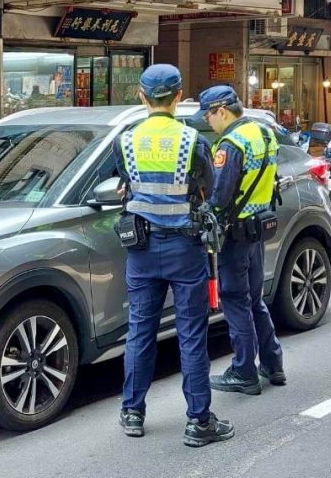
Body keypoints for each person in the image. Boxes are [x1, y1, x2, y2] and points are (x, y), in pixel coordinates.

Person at [114, 63, 235, 447]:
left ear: (142, 96)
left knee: (140, 332)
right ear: (180, 96)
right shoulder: (193, 141)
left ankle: (133, 412)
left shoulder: (125, 140)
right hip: (185, 249)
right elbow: (208, 189)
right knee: (191, 335)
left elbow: (124, 183)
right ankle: (199, 421)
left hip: (141, 250)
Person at [198, 85, 285, 396]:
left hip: (234, 234)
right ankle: (273, 363)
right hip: (258, 227)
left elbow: (219, 197)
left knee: (235, 300)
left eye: (208, 116)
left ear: (221, 111)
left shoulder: (230, 144)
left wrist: (203, 211)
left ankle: (244, 371)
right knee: (254, 299)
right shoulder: (263, 133)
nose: (208, 122)